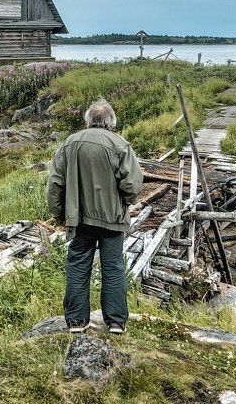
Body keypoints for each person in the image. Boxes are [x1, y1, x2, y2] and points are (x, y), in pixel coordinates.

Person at [46, 99, 143, 334]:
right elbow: (132, 185)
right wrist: (124, 203)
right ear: (111, 122)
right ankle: (116, 322)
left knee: (78, 266)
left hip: (79, 219)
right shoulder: (120, 144)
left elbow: (55, 184)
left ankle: (77, 322)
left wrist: (59, 214)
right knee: (113, 268)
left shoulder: (70, 143)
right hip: (112, 219)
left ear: (88, 120)